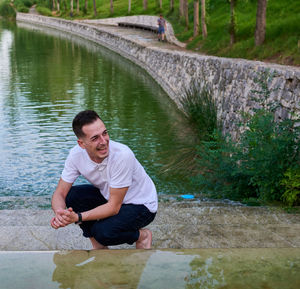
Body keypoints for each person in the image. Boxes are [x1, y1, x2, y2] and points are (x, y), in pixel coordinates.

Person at [50, 110, 158, 249]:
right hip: (110, 197)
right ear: (82, 144)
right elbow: (60, 193)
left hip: (141, 205)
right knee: (74, 195)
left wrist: (78, 217)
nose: (103, 141)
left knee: (104, 232)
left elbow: (113, 207)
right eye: (95, 138)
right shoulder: (76, 155)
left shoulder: (122, 156)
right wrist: (60, 214)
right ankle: (99, 246)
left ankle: (142, 236)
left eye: (105, 133)